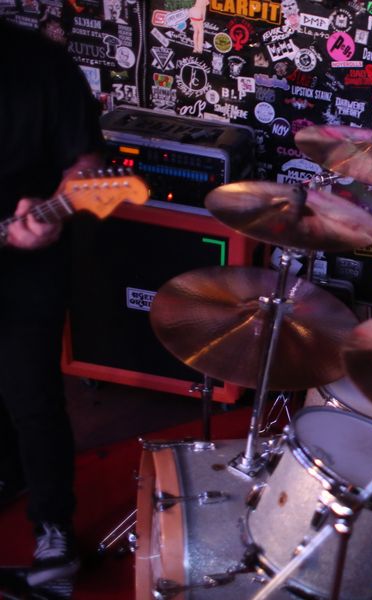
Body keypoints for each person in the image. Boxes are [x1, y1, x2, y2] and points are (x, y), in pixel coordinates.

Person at [0, 19, 104, 595]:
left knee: (31, 393)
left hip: (25, 257)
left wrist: (54, 211)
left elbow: (88, 169)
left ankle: (53, 527)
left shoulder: (41, 64)